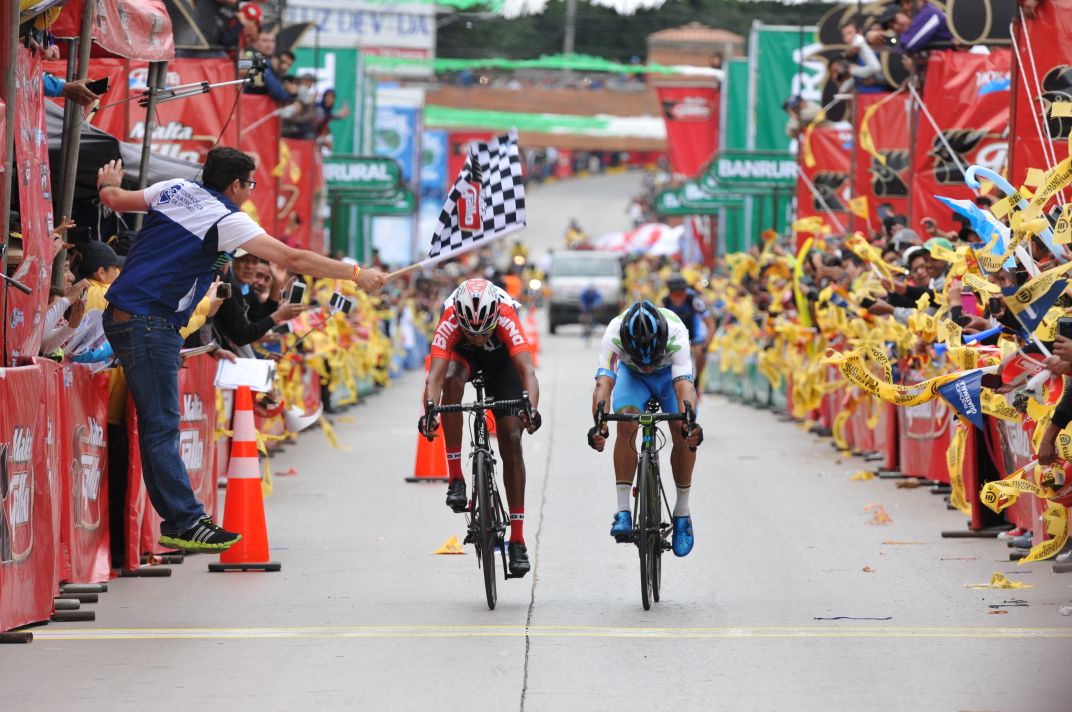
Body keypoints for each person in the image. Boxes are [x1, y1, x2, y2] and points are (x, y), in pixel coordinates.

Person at [96, 147, 387, 552]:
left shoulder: (174, 188)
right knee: (161, 426)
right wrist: (355, 274)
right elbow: (291, 257)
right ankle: (184, 522)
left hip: (132, 315)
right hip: (149, 321)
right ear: (236, 185)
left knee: (158, 424)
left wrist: (109, 184)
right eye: (249, 184)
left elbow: (114, 200)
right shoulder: (227, 218)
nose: (250, 191)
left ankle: (184, 519)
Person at [420, 278, 542, 577]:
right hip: (464, 361)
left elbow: (527, 371)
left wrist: (531, 410)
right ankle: (456, 478)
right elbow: (434, 378)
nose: (476, 337)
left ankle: (517, 539)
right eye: (469, 331)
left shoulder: (505, 315)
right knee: (450, 381)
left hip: (502, 361)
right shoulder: (450, 318)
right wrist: (430, 412)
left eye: (482, 331)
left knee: (512, 439)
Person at [587, 301, 704, 557]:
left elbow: (685, 388)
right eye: (642, 357)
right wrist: (600, 425)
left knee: (681, 430)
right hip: (633, 377)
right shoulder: (614, 333)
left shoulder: (675, 333)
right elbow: (603, 385)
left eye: (653, 356)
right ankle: (623, 510)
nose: (648, 363)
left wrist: (691, 422)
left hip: (668, 379)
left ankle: (682, 513)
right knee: (626, 422)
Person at [662, 274, 716, 395]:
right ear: (669, 293)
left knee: (700, 352)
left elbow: (711, 324)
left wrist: (706, 345)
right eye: (674, 295)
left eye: (681, 294)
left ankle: (697, 381)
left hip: (693, 329)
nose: (677, 298)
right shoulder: (664, 301)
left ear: (686, 292)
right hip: (675, 332)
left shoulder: (695, 300)